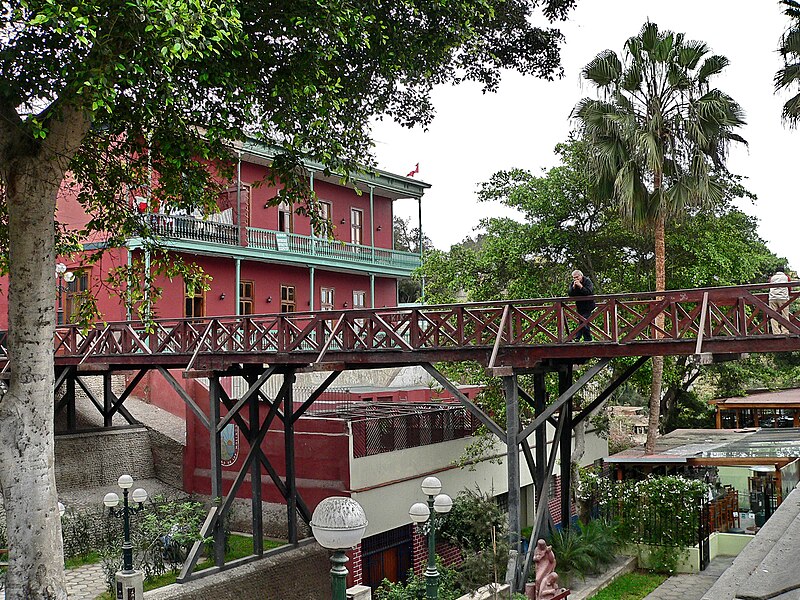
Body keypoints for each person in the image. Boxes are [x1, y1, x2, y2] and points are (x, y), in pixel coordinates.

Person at [568, 269, 596, 341]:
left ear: (581, 276)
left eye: (577, 277)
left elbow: (588, 292)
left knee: (583, 321)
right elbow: (570, 294)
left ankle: (578, 337)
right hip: (580, 306)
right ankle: (587, 339)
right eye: (574, 277)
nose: (576, 279)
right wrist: (573, 288)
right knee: (583, 322)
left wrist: (581, 286)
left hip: (588, 305)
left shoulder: (587, 281)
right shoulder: (573, 283)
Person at [769, 268, 791, 335]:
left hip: (772, 298)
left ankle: (776, 332)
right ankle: (785, 331)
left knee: (773, 316)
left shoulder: (772, 278)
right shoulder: (786, 277)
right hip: (783, 298)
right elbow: (789, 287)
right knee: (785, 315)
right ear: (783, 271)